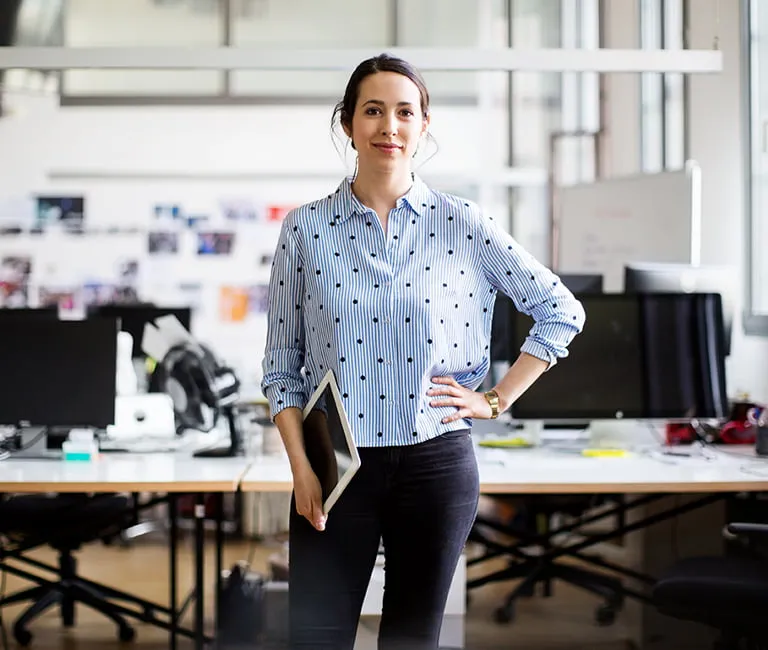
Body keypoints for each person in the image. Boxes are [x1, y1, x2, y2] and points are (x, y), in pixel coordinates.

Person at [261, 53, 586, 650]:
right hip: (336, 467)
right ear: (348, 124)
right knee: (315, 637)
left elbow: (562, 311)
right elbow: (282, 367)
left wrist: (495, 399)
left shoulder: (463, 223)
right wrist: (300, 469)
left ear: (424, 125)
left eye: (404, 112)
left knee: (413, 639)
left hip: (435, 464)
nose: (389, 126)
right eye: (373, 111)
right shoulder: (305, 229)